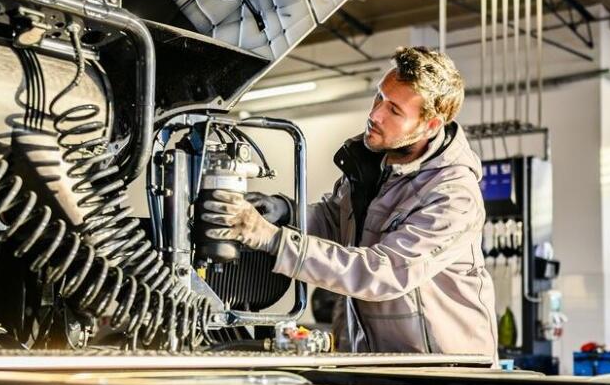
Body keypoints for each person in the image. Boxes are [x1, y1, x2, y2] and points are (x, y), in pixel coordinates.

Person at [202, 46, 497, 360]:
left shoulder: (453, 195)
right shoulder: (374, 165)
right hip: (377, 362)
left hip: (444, 372)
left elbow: (381, 273)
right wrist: (285, 211)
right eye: (379, 97)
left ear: (431, 126)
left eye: (394, 111)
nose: (375, 115)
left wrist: (273, 239)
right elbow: (335, 220)